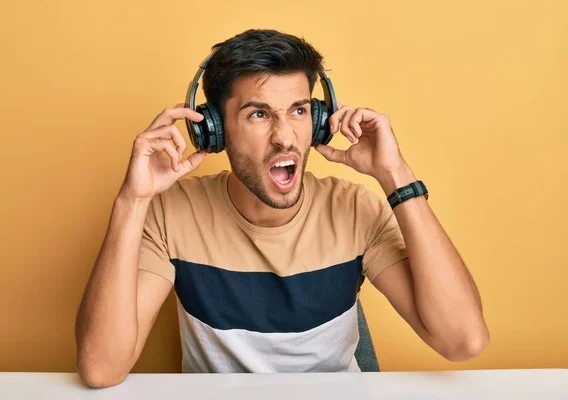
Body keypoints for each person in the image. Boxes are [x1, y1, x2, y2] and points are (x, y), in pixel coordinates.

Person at [75, 29, 489, 388]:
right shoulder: (172, 213)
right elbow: (101, 369)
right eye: (258, 114)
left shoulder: (355, 209)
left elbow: (462, 341)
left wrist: (395, 175)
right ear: (212, 130)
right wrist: (132, 200)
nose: (285, 137)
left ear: (320, 117)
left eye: (299, 111)